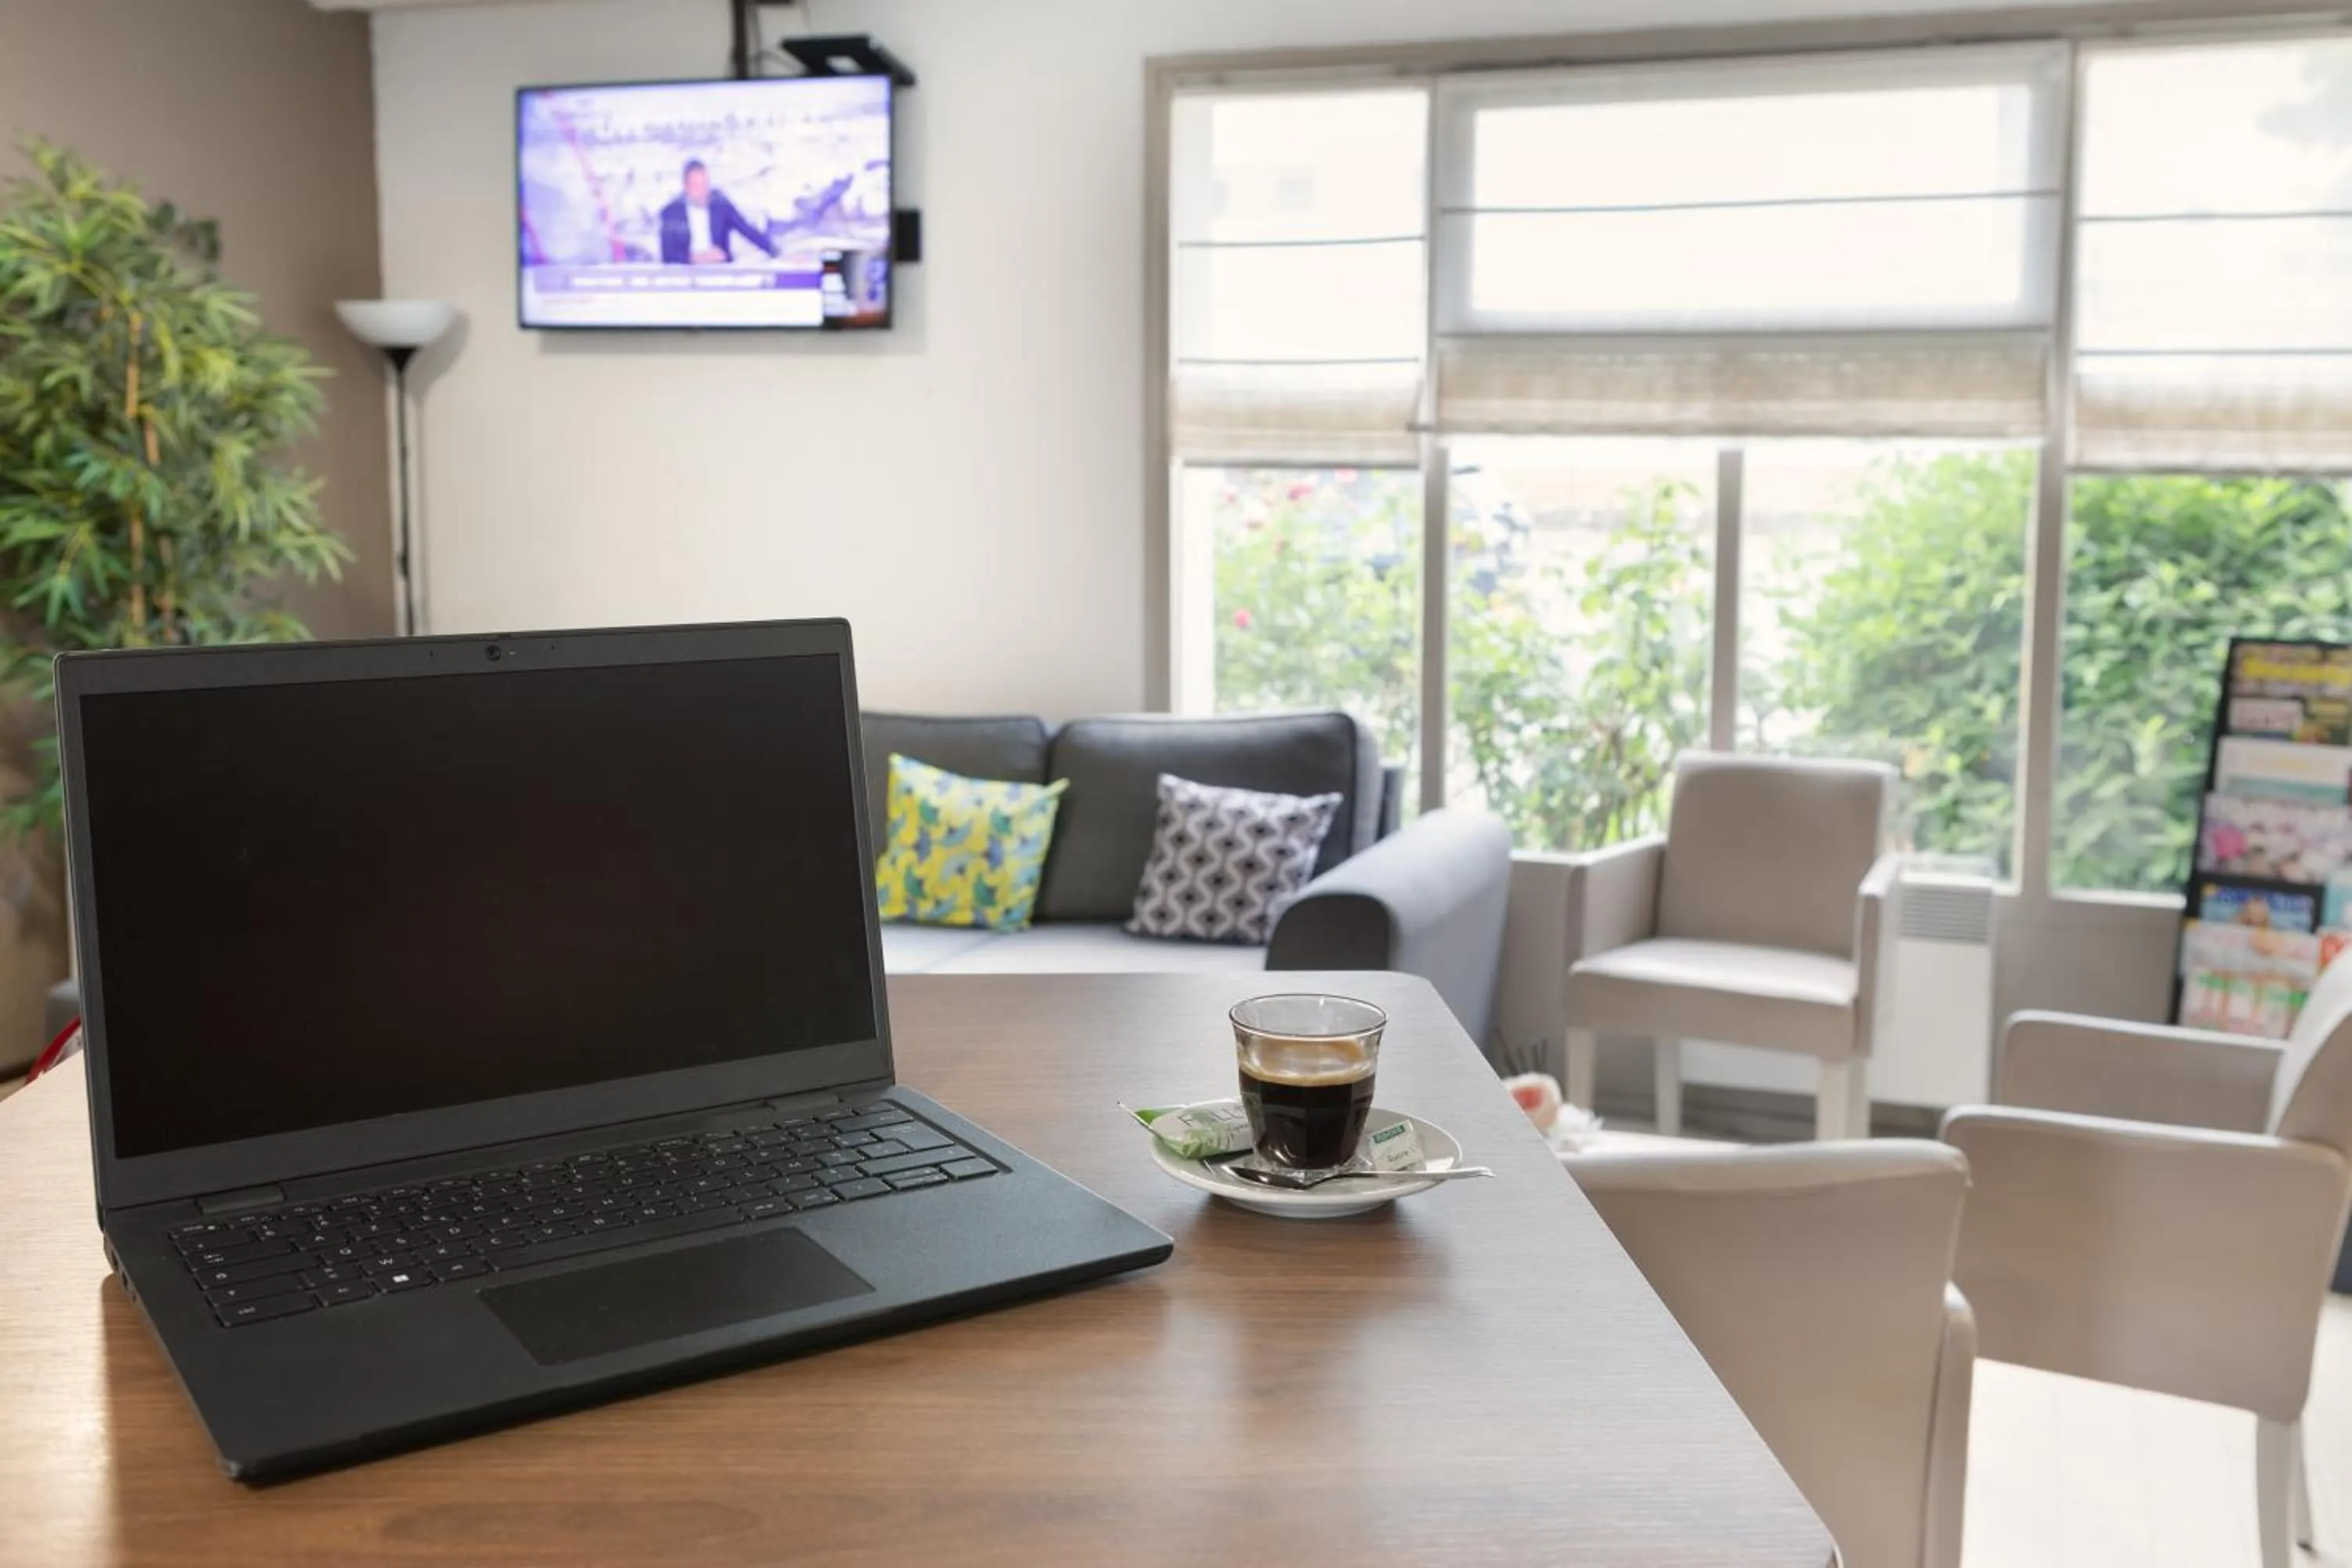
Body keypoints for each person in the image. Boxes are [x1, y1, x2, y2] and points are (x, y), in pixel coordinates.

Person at [658, 160, 776, 265]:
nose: (703, 191)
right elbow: (668, 255)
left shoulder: (721, 206)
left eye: (705, 184)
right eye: (697, 186)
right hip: (685, 275)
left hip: (720, 271)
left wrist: (774, 251)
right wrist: (696, 258)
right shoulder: (670, 213)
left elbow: (746, 230)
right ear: (686, 187)